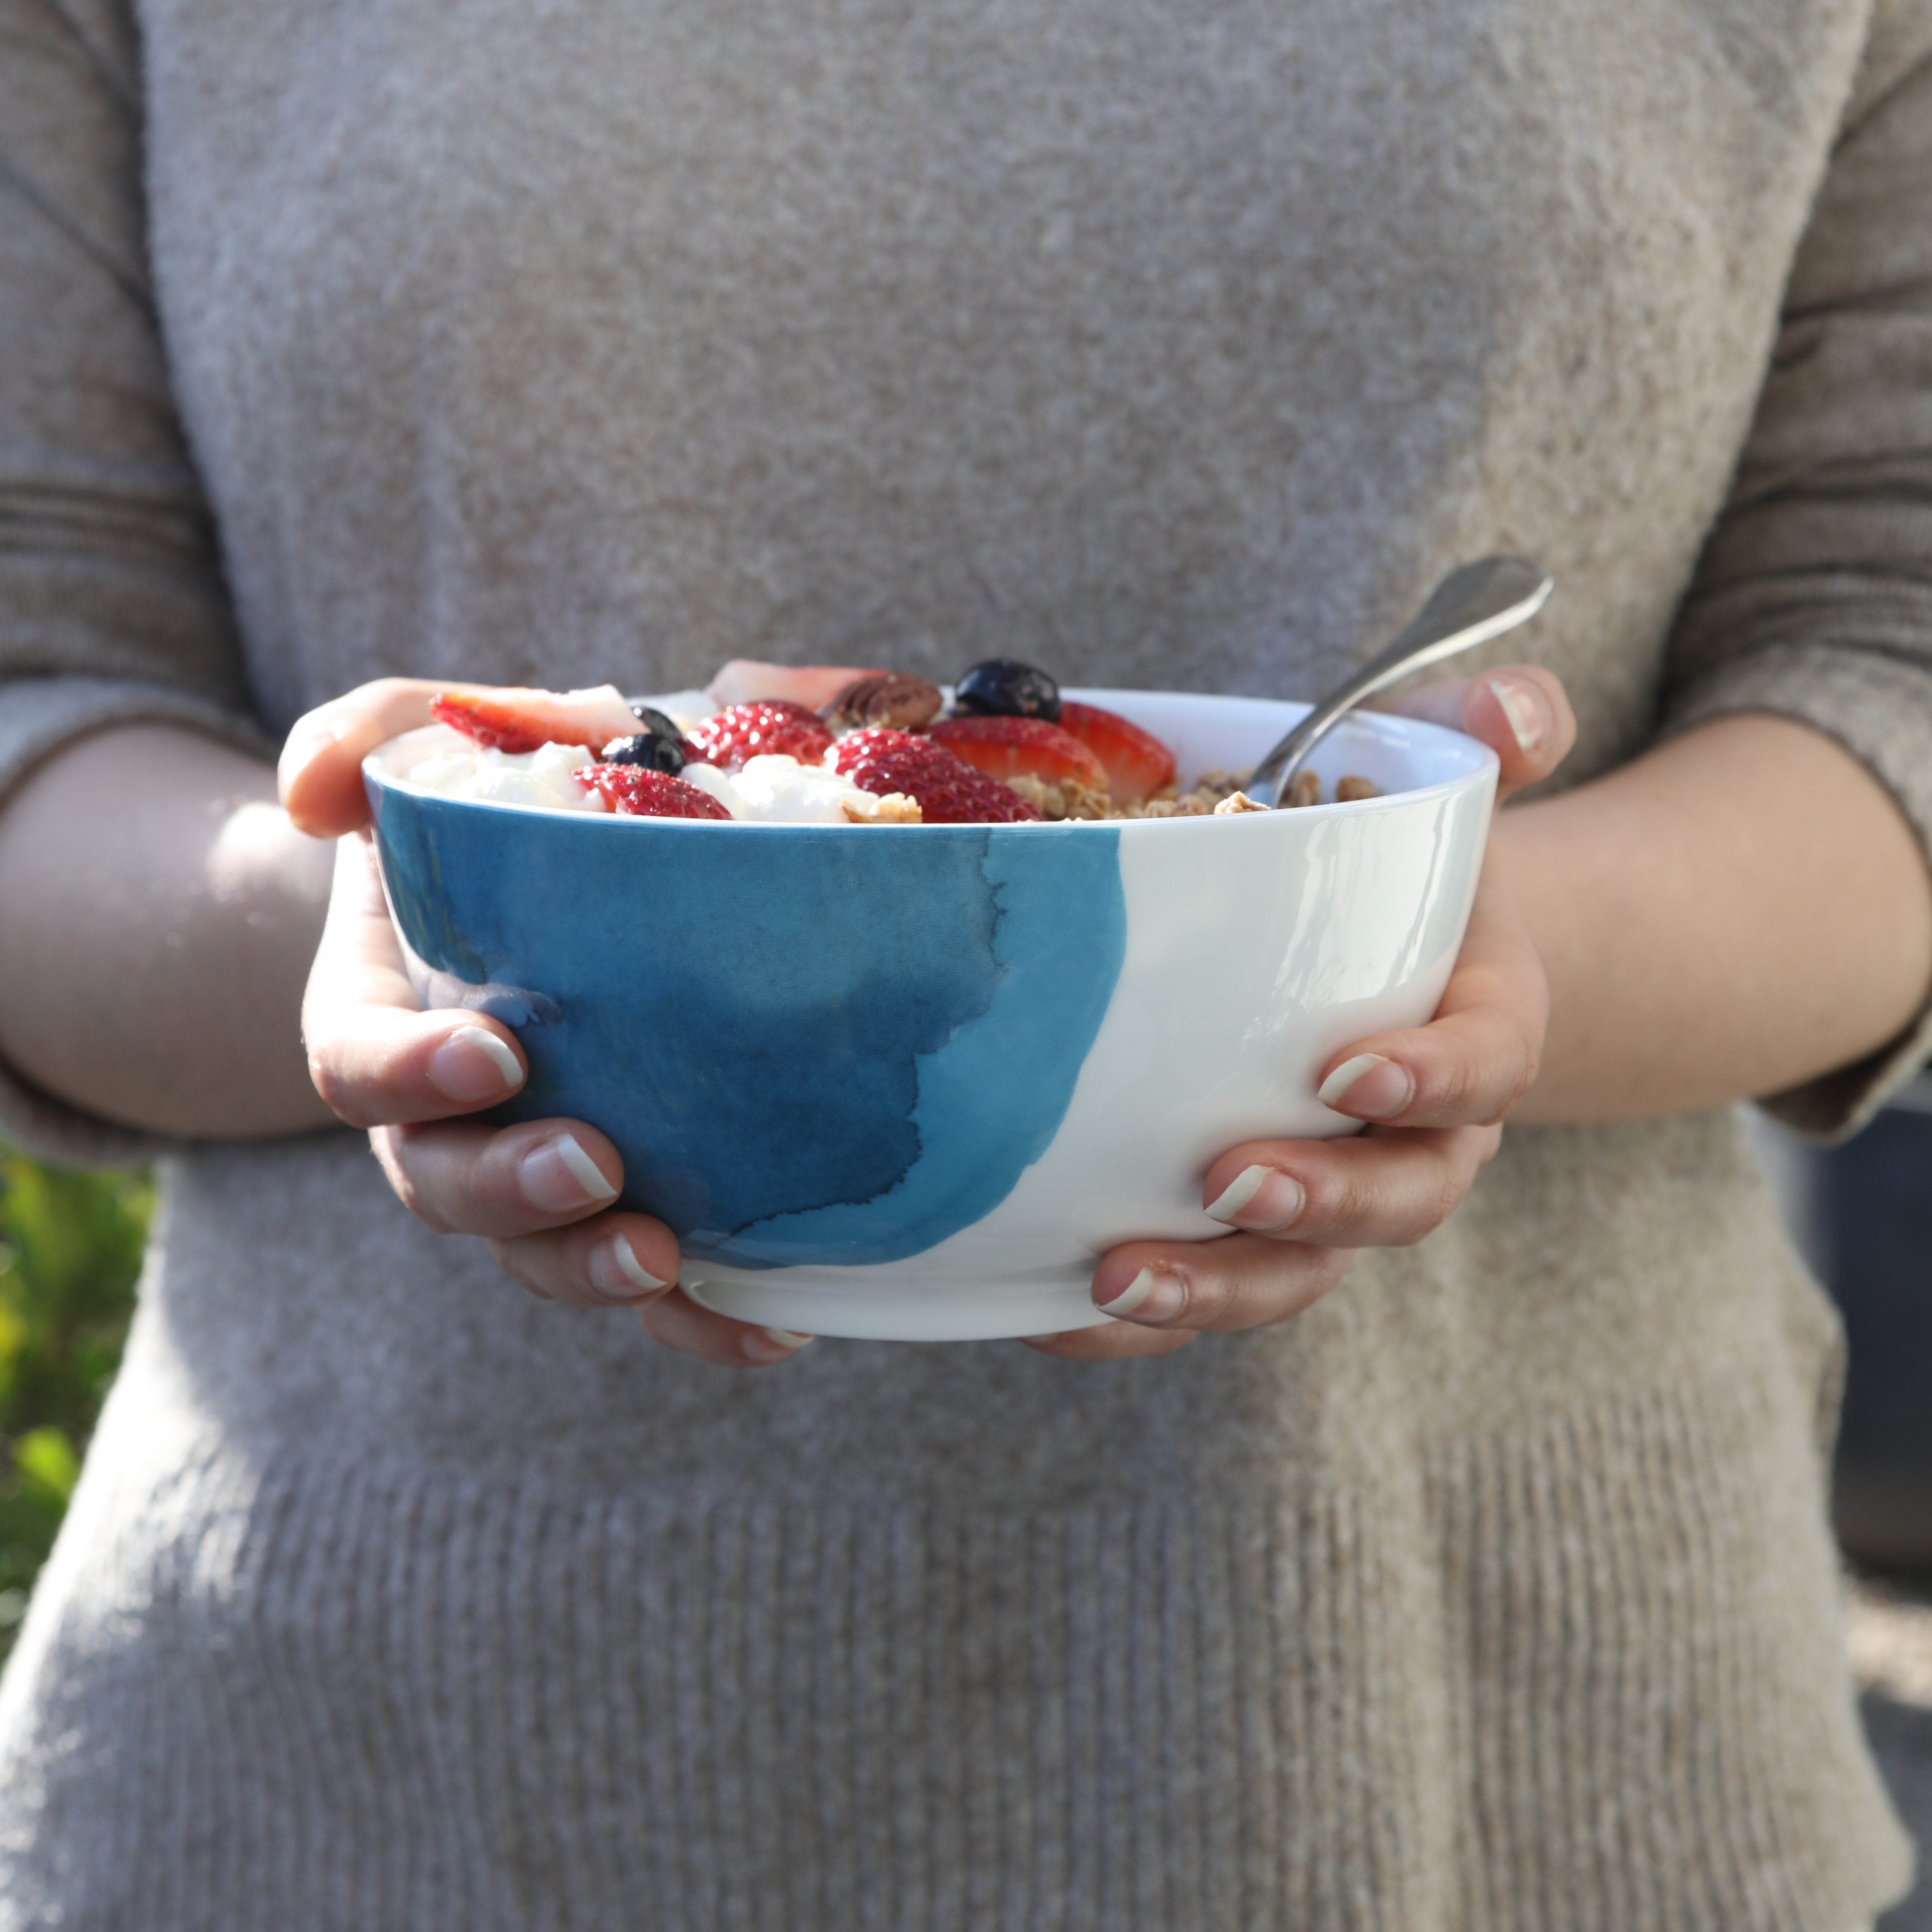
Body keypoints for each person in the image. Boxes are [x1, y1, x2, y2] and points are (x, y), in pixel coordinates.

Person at [1, 0, 1929, 1922]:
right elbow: (40, 683)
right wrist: (443, 907)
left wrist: (1411, 934)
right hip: (342, 1760)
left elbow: (1884, 655)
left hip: (1505, 1760)